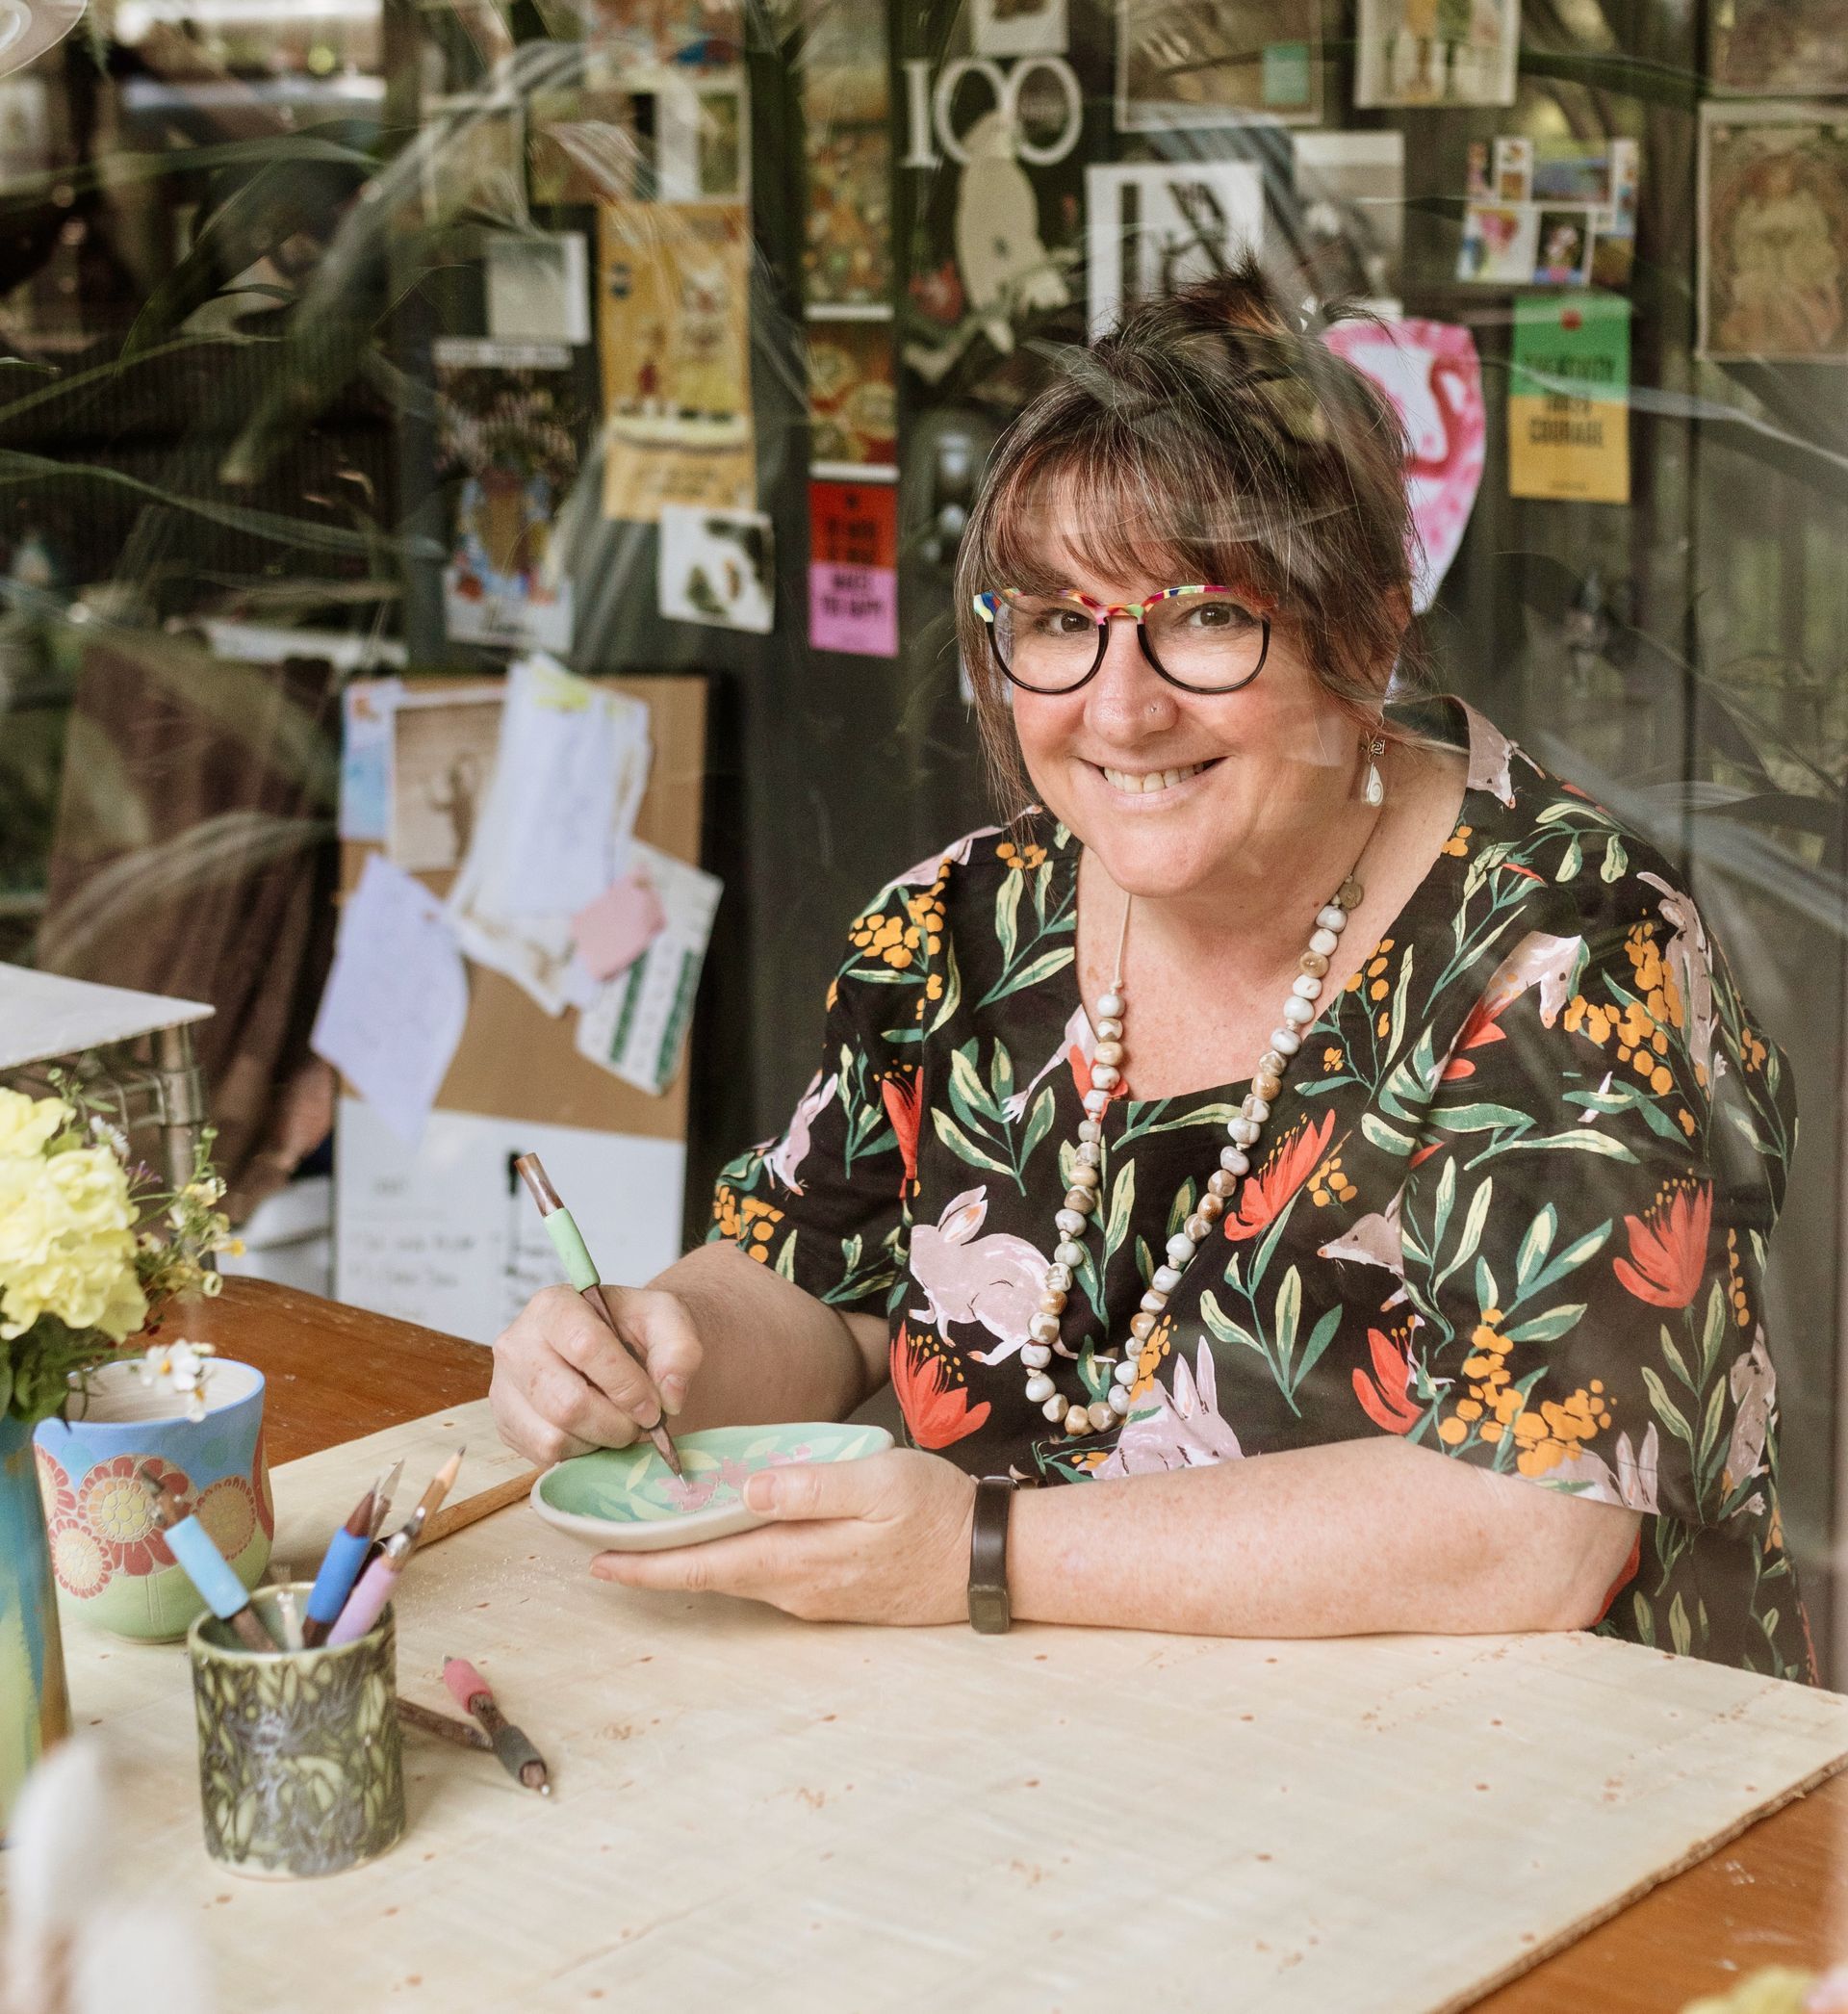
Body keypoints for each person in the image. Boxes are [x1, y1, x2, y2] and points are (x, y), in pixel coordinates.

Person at [491, 263, 1810, 1680]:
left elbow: (1541, 1527)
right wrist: (660, 1337)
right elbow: (819, 1284)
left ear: (1361, 630)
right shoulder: (961, 933)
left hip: (1557, 1807)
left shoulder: (1563, 958)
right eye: (1057, 622)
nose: (1120, 710)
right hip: (1083, 1769)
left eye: (1204, 617)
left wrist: (977, 1554)